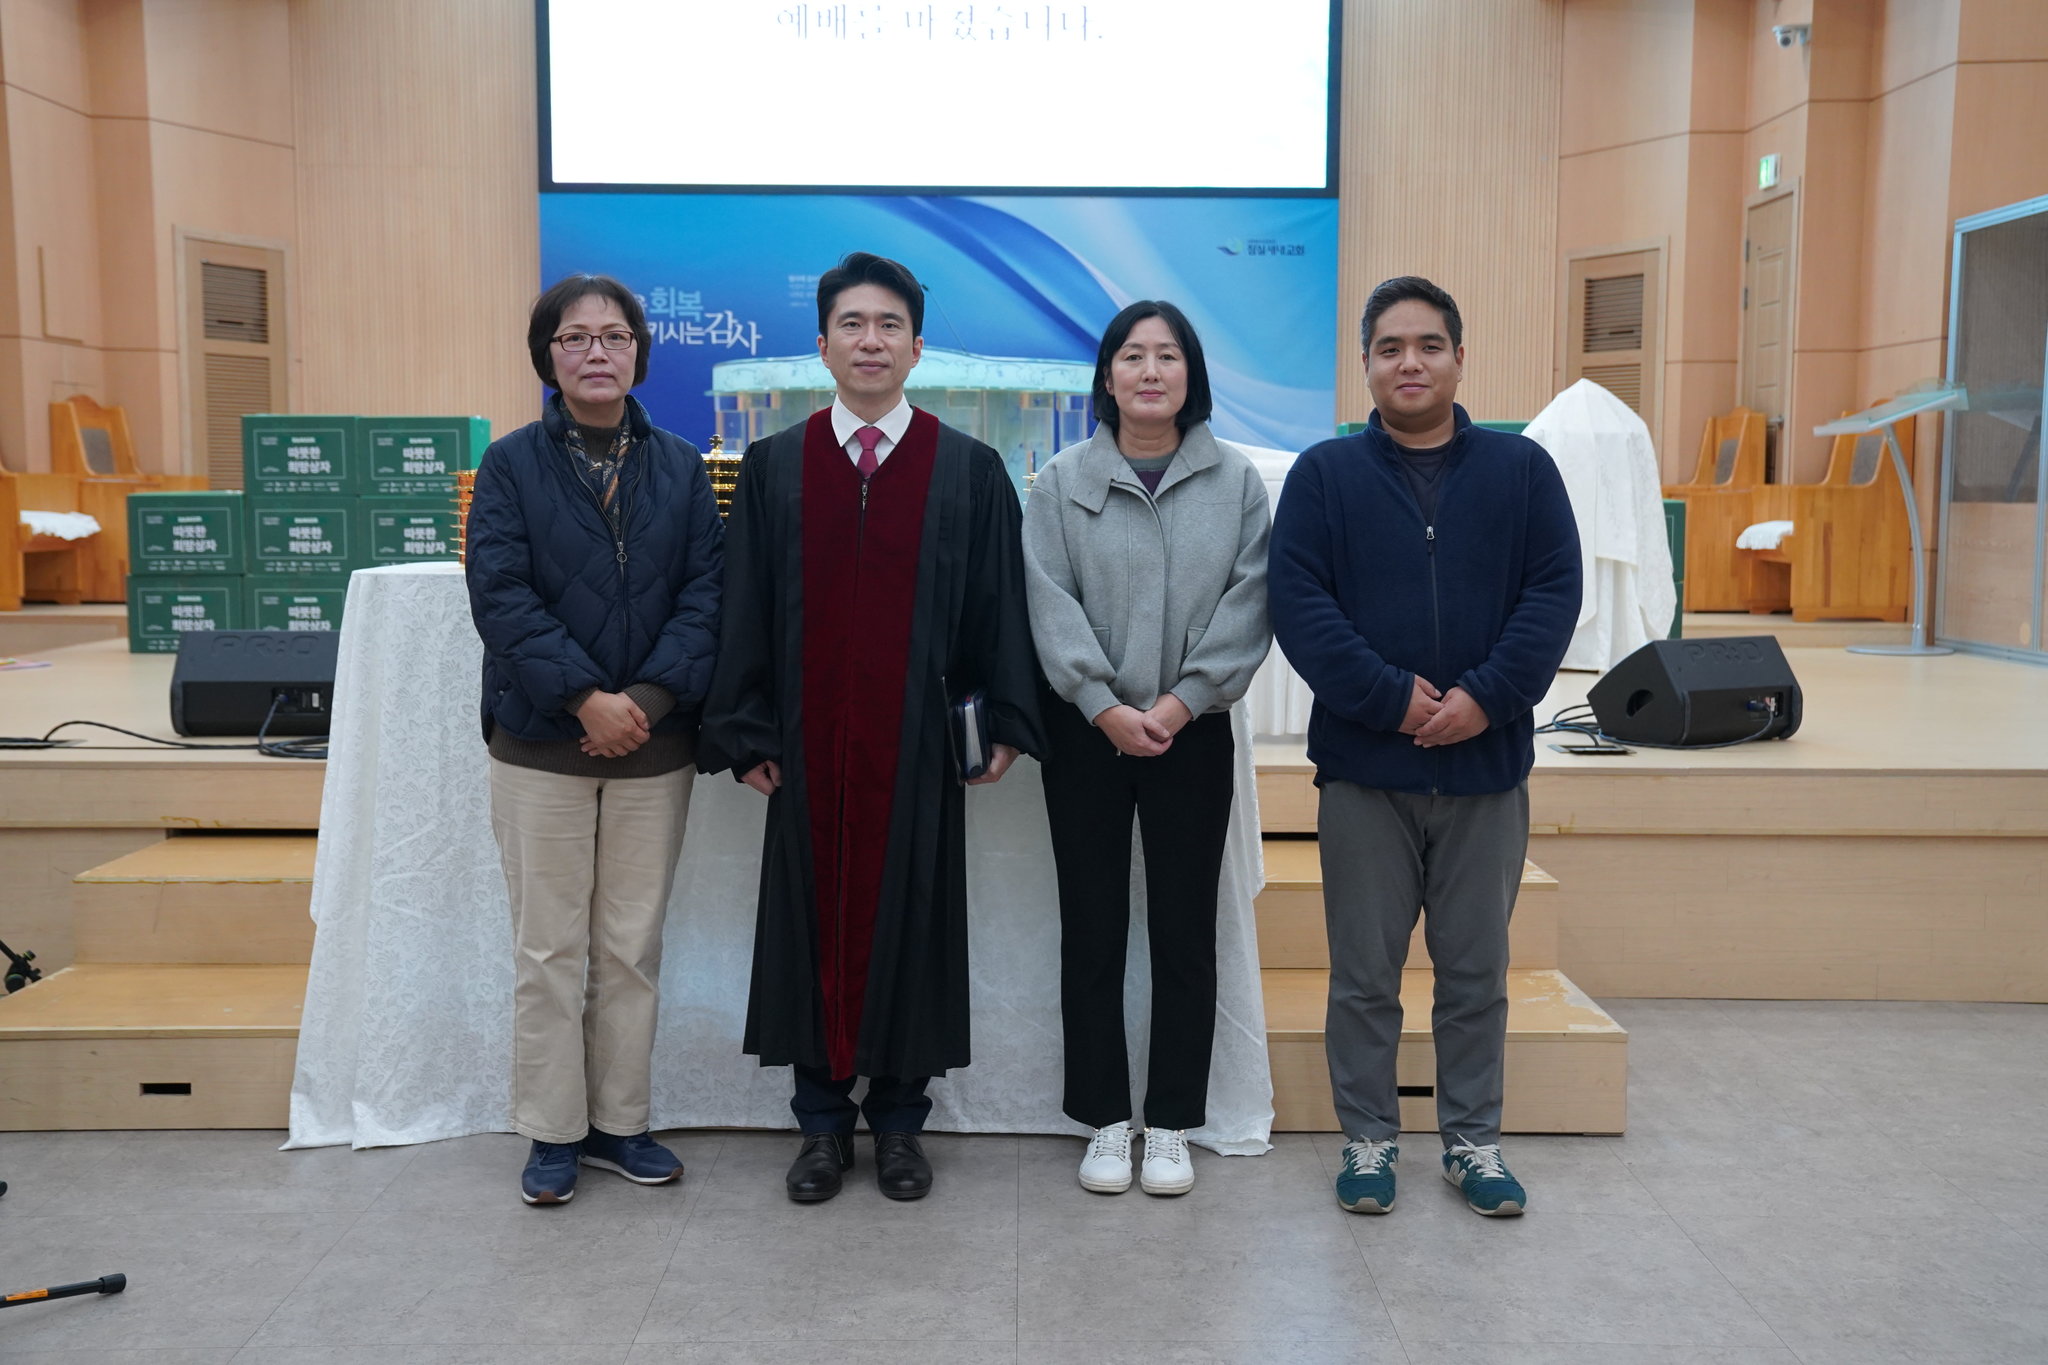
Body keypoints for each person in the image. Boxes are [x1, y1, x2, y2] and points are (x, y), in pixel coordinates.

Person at [700, 251, 1045, 1204]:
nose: (870, 341)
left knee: (913, 921)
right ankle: (819, 1126)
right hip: (809, 754)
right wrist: (746, 730)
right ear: (822, 344)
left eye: (890, 324)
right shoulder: (774, 467)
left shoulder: (966, 469)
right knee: (809, 922)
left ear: (917, 347)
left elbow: (998, 608)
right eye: (852, 324)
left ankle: (898, 1123)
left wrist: (1002, 722)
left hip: (918, 750)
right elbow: (744, 608)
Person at [1268, 276, 1579, 1218]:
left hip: (1487, 771)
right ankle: (1368, 1139)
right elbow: (1301, 605)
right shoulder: (1324, 476)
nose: (1411, 362)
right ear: (1365, 363)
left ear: (1459, 358)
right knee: (1364, 975)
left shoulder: (1523, 472)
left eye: (1429, 345)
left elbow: (1552, 594)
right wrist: (1391, 699)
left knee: (1475, 974)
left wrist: (1486, 698)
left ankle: (1473, 1141)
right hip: (1367, 772)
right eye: (1391, 346)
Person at [465, 273, 724, 1206]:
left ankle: (620, 1122)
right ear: (548, 355)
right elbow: (500, 595)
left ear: (639, 352)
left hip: (653, 745)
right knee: (547, 951)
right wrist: (582, 697)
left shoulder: (682, 467)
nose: (596, 352)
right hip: (540, 742)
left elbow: (708, 595)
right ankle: (552, 1129)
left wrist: (641, 700)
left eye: (614, 336)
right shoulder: (509, 465)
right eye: (574, 337)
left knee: (630, 946)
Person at [1021, 301, 1271, 1196]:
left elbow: (1250, 603)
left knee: (1184, 929)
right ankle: (1102, 1117)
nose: (1151, 371)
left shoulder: (1235, 481)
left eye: (1168, 356)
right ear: (1108, 375)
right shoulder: (1062, 480)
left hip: (1191, 733)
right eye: (1133, 356)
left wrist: (1179, 701)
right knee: (1091, 926)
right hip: (1087, 734)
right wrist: (1100, 703)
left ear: (1191, 374)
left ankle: (1169, 1120)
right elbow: (1047, 601)